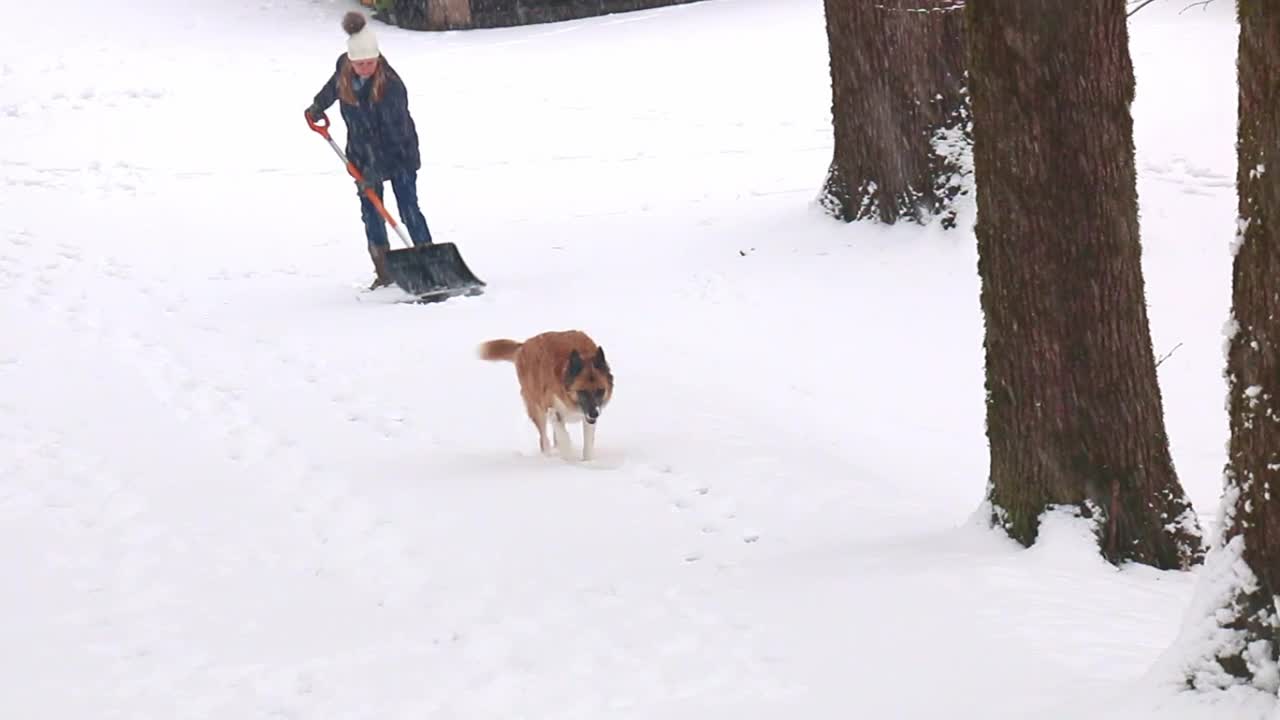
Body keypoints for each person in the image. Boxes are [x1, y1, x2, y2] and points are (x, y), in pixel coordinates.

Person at [306, 11, 433, 290]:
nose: (365, 68)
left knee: (408, 207)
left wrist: (375, 172)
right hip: (362, 153)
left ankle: (429, 262)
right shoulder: (345, 67)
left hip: (399, 154)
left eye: (370, 63)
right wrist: (318, 105)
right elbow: (334, 87)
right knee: (371, 211)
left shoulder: (392, 88)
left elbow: (394, 138)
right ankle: (385, 270)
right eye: (359, 64)